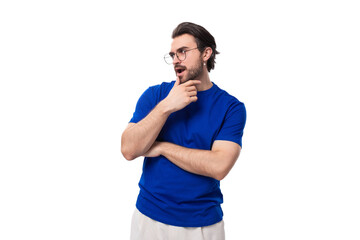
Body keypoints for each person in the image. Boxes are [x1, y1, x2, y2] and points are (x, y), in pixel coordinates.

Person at [121, 22, 246, 240]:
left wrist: (162, 147)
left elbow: (218, 166)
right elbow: (129, 149)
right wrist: (167, 106)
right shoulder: (155, 96)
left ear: (206, 53)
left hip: (201, 226)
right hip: (147, 219)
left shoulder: (231, 108)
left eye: (183, 52)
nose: (176, 59)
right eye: (173, 54)